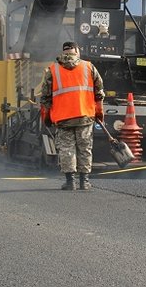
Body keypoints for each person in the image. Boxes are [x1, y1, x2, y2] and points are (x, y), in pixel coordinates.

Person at [40, 41, 104, 191]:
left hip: (63, 118)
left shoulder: (53, 70)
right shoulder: (89, 67)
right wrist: (99, 112)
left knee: (67, 149)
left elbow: (45, 97)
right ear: (77, 51)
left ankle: (70, 182)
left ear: (64, 52)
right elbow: (99, 92)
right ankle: (85, 182)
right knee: (84, 148)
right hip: (85, 115)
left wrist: (47, 116)